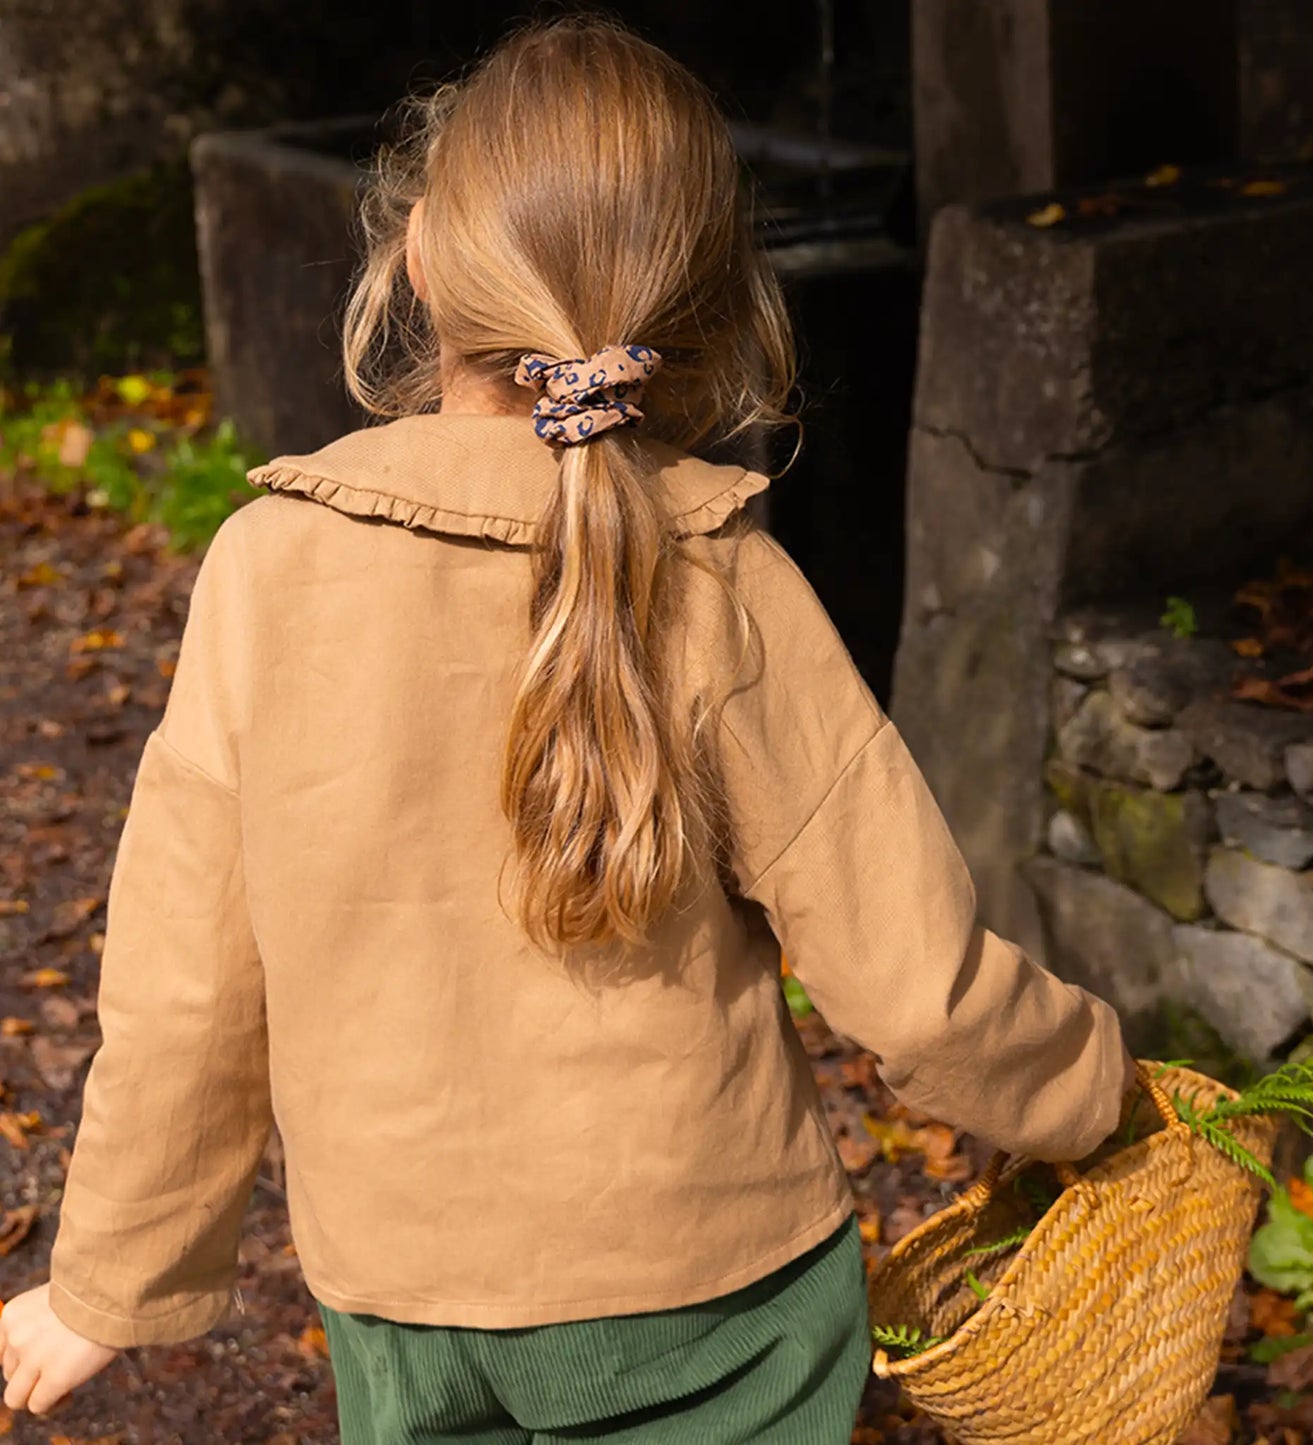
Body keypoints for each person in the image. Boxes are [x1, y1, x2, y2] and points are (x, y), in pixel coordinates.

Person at [0, 15, 1136, 1443]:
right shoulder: (728, 577)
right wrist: (1099, 1092)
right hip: (714, 1287)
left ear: (416, 255)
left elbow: (185, 986)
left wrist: (107, 1278)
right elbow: (910, 983)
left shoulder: (268, 569)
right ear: (710, 310)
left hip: (401, 1292)